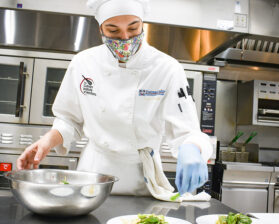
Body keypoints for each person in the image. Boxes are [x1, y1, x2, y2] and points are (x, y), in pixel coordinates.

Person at [17, 0, 213, 197]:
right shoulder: (84, 63)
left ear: (142, 24)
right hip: (94, 173)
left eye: (133, 28)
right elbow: (69, 120)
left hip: (141, 177)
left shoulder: (166, 68)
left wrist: (192, 149)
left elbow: (186, 131)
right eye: (113, 31)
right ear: (100, 28)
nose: (125, 38)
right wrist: (47, 141)